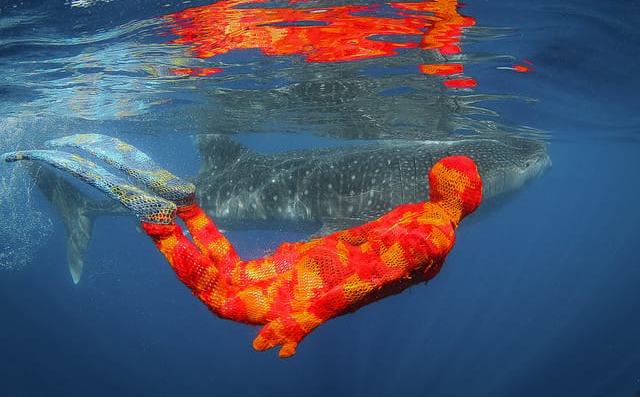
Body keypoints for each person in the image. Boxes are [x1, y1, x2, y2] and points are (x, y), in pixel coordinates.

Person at [2, 134, 482, 357]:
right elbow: (368, 279)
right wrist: (305, 320)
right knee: (227, 301)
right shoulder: (435, 234)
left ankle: (189, 209)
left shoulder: (415, 210)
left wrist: (299, 253)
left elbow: (356, 236)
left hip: (307, 263)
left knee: (234, 273)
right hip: (314, 286)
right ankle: (165, 225)